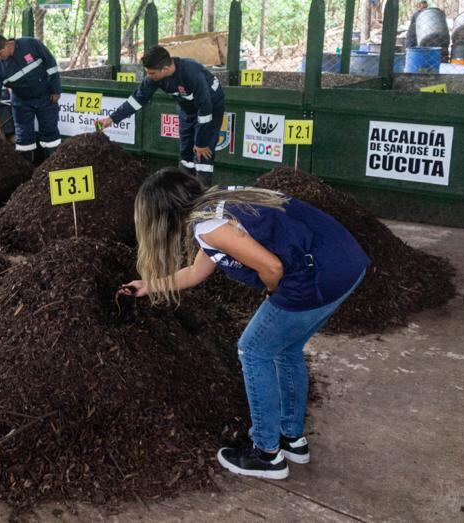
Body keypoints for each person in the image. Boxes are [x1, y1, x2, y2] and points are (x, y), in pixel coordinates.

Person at [121, 168, 369, 480]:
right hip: (345, 264)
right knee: (286, 349)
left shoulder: (209, 225)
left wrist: (273, 291)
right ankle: (291, 439)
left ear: (162, 214)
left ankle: (266, 454)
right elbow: (196, 273)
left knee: (252, 350)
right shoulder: (216, 207)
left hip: (317, 274)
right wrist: (149, 285)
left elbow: (271, 266)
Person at [97, 45, 224, 185]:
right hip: (187, 108)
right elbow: (137, 99)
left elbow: (205, 110)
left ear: (165, 69)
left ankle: (203, 189)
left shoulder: (191, 73)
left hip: (211, 107)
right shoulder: (154, 78)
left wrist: (201, 142)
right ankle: (184, 188)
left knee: (202, 153)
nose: (149, 76)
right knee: (186, 151)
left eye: (151, 73)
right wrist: (112, 118)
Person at [0, 33, 61, 164]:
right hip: (21, 103)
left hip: (45, 97)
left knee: (50, 134)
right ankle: (27, 170)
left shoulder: (31, 44)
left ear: (7, 44)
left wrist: (55, 89)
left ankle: (54, 165)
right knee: (23, 139)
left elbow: (51, 64)